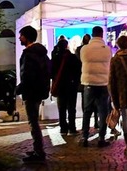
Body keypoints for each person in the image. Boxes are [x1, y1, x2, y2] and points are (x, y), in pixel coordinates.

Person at [15, 25, 51, 163]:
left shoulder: (29, 55)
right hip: (39, 91)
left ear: (27, 37)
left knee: (33, 122)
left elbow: (27, 76)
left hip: (31, 92)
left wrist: (19, 89)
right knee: (34, 121)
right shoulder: (41, 53)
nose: (19, 38)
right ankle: (38, 149)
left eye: (21, 35)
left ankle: (39, 152)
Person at [80, 26, 112, 148]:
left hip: (88, 83)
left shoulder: (84, 49)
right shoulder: (107, 49)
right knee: (103, 112)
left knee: (87, 111)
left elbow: (83, 61)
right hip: (103, 83)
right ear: (102, 35)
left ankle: (84, 137)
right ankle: (101, 138)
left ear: (92, 35)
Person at [51, 38, 81, 135]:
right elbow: (78, 70)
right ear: (66, 46)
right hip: (71, 85)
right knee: (71, 107)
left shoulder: (55, 58)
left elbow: (51, 72)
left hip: (60, 85)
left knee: (62, 107)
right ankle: (72, 128)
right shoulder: (72, 57)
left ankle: (63, 128)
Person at [75, 34, 98, 129]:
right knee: (96, 102)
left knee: (86, 105)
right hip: (94, 78)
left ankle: (86, 127)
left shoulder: (79, 50)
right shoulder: (93, 49)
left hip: (84, 79)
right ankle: (96, 121)